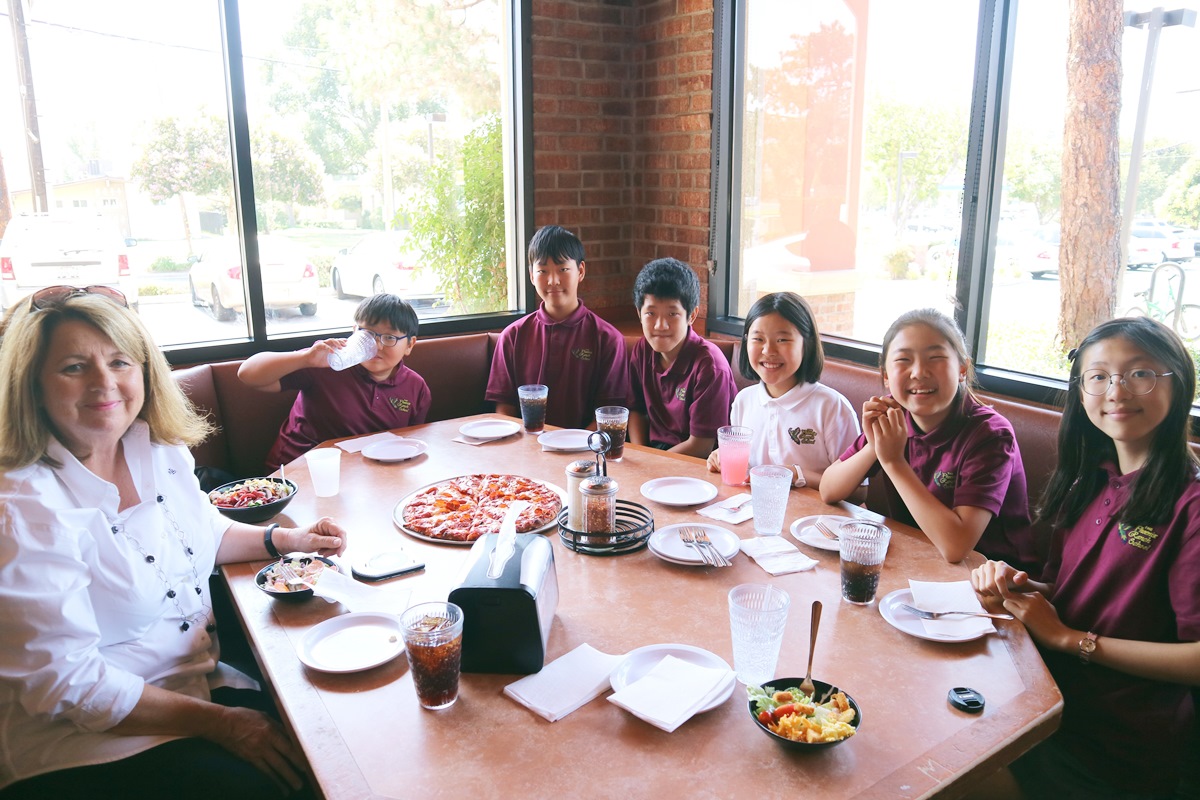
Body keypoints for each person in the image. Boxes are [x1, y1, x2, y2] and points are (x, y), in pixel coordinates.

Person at [0, 285, 348, 799]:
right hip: (82, 740)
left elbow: (202, 532)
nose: (104, 383)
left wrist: (291, 539)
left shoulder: (157, 448)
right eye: (74, 367)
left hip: (196, 684)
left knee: (333, 733)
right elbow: (65, 684)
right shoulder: (21, 507)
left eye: (120, 361)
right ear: (31, 385)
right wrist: (222, 723)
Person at [970, 316, 1200, 799]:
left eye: (1140, 373)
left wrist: (1071, 640)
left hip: (1116, 741)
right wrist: (1019, 588)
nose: (1117, 390)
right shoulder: (1089, 479)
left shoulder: (1191, 505)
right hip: (1043, 698)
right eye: (1098, 376)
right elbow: (1069, 591)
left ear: (1179, 382)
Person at [820, 308, 1037, 569]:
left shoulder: (990, 435)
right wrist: (874, 446)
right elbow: (829, 490)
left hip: (993, 579)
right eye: (903, 360)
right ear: (886, 375)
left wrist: (893, 462)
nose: (919, 372)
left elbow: (956, 547)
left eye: (935, 358)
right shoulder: (893, 414)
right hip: (916, 561)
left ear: (962, 369)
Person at [238, 293, 430, 470]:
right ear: (355, 331)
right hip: (296, 471)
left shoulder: (416, 388)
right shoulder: (327, 362)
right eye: (368, 334)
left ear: (409, 344)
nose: (377, 345)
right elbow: (247, 374)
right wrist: (305, 359)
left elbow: (409, 446)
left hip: (364, 475)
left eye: (389, 337)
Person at [706, 292, 858, 490]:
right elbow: (747, 470)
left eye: (782, 340)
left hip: (814, 510)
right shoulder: (743, 401)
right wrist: (720, 457)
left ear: (807, 343)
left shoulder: (832, 407)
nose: (768, 350)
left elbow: (858, 491)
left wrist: (796, 474)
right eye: (758, 339)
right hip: (755, 506)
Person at [485, 225, 628, 430]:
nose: (553, 280)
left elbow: (609, 414)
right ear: (531, 275)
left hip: (584, 447)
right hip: (526, 445)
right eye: (542, 271)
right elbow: (503, 407)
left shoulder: (608, 339)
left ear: (580, 271)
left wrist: (574, 444)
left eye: (563, 269)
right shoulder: (512, 336)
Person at [626, 258, 736, 458]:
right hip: (654, 456)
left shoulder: (710, 366)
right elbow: (636, 410)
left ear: (692, 315)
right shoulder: (643, 349)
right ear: (639, 313)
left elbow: (701, 446)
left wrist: (651, 464)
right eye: (651, 313)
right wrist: (642, 456)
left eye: (672, 314)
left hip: (700, 463)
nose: (660, 325)